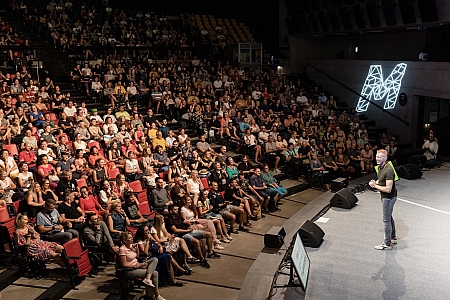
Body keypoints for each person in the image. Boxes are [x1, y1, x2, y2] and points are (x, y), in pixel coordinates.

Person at [118, 232, 166, 300]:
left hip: (138, 265)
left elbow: (136, 256)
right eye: (130, 238)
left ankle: (148, 279)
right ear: (125, 240)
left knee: (155, 259)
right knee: (155, 273)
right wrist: (137, 266)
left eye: (132, 237)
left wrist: (136, 249)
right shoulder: (122, 249)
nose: (132, 239)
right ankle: (156, 295)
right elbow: (124, 264)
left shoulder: (131, 246)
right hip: (130, 270)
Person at [369, 150, 397, 250]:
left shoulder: (388, 170)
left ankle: (387, 243)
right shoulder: (380, 167)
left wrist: (375, 186)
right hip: (385, 196)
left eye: (379, 157)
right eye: (376, 156)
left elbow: (388, 189)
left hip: (388, 198)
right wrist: (375, 182)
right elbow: (381, 180)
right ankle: (393, 236)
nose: (377, 158)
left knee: (386, 220)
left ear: (385, 159)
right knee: (389, 216)